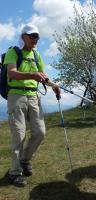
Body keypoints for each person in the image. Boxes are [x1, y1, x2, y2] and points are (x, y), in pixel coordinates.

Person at [3, 24, 61, 187]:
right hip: (16, 95)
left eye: (37, 36)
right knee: (19, 135)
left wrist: (54, 86)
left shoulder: (36, 55)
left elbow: (43, 76)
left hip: (34, 96)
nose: (35, 39)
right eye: (32, 36)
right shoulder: (13, 52)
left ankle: (24, 160)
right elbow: (11, 73)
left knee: (40, 132)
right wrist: (32, 75)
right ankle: (15, 173)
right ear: (23, 37)